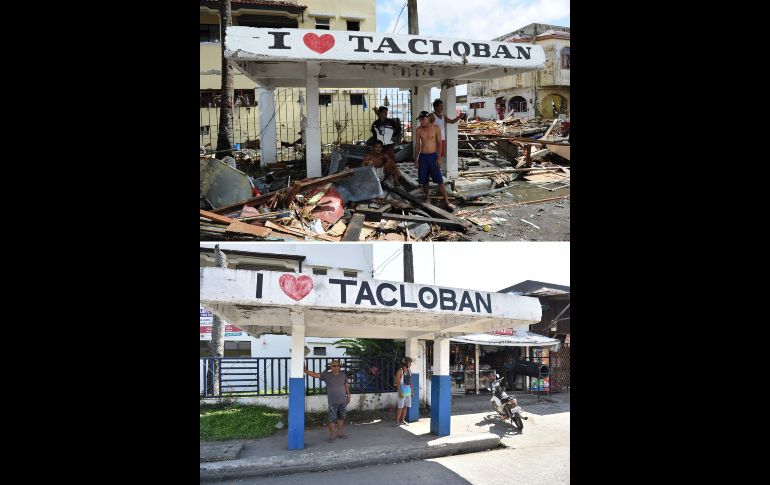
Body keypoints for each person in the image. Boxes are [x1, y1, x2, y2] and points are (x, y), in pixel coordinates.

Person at [413, 111, 454, 210]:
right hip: (423, 157)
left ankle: (446, 200)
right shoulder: (419, 130)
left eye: (423, 119)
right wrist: (416, 158)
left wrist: (439, 158)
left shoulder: (436, 128)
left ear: (428, 119)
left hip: (433, 156)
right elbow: (418, 145)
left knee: (439, 180)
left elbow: (440, 143)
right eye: (420, 120)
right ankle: (427, 197)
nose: (421, 122)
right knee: (424, 180)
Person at [304, 360, 350, 442]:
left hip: (343, 400)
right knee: (332, 419)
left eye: (337, 366)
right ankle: (332, 435)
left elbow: (346, 384)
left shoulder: (343, 375)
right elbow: (315, 375)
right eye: (334, 366)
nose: (336, 367)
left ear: (340, 367)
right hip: (333, 402)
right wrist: (306, 371)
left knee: (341, 418)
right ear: (331, 367)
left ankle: (340, 433)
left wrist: (348, 395)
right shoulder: (326, 375)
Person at [429, 99, 463, 167]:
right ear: (435, 107)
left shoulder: (443, 116)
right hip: (434, 139)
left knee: (440, 155)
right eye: (440, 106)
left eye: (442, 106)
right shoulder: (432, 116)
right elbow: (426, 125)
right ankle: (432, 170)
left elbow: (452, 121)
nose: (442, 108)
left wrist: (459, 117)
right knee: (433, 155)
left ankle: (436, 170)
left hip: (442, 139)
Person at [394, 357, 413, 426]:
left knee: (405, 407)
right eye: (409, 363)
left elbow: (410, 382)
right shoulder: (400, 371)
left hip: (408, 392)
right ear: (405, 363)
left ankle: (402, 420)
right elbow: (398, 383)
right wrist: (400, 392)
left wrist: (412, 391)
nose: (410, 364)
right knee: (400, 407)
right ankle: (397, 422)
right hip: (402, 392)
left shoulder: (409, 371)